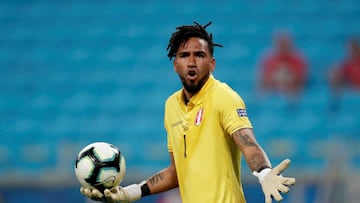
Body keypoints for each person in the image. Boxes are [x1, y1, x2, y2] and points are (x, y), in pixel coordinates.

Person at [80, 22, 296, 203]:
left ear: (212, 64)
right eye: (184, 56)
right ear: (175, 65)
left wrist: (264, 173)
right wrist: (130, 193)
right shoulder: (171, 105)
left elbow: (249, 144)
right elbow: (176, 172)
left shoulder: (224, 97)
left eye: (199, 55)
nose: (191, 62)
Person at [257, 30, 307, 97]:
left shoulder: (298, 60)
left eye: (285, 42)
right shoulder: (269, 59)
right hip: (272, 92)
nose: (283, 45)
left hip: (293, 93)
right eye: (281, 42)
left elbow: (301, 81)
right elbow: (263, 81)